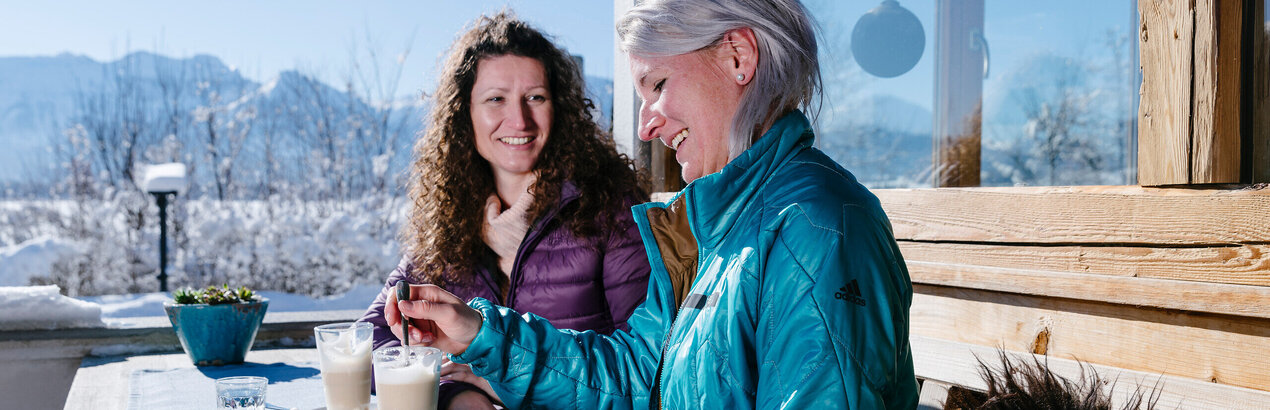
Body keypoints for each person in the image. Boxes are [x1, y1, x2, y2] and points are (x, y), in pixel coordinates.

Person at [387, 0, 919, 407]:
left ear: (738, 56)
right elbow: (635, 376)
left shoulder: (814, 231)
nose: (645, 126)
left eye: (657, 84)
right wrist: (480, 333)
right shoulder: (717, 230)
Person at [358, 12, 652, 410]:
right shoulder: (449, 220)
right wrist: (454, 393)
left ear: (559, 108)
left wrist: (501, 385)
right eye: (496, 99)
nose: (519, 120)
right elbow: (368, 342)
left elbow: (644, 371)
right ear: (464, 113)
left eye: (536, 97)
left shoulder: (611, 207)